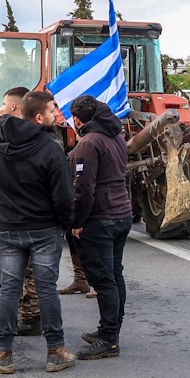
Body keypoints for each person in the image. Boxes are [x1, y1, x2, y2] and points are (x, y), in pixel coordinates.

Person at [0, 90, 75, 374]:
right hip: (44, 228)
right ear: (38, 116)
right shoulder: (50, 147)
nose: (57, 114)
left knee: (9, 290)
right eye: (52, 110)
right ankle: (56, 351)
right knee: (46, 290)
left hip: (8, 227)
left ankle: (2, 353)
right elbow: (63, 195)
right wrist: (63, 223)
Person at [67, 96, 132, 360]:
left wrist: (77, 222)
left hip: (101, 218)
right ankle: (110, 329)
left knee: (104, 279)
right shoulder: (115, 136)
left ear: (77, 120)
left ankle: (109, 338)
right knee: (114, 274)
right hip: (121, 213)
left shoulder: (88, 142)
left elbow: (84, 189)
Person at [0, 86, 43, 333]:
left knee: (13, 278)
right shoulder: (44, 138)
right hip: (39, 219)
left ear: (14, 106)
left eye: (4, 103)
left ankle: (8, 334)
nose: (1, 109)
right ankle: (34, 319)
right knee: (36, 276)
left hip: (9, 219)